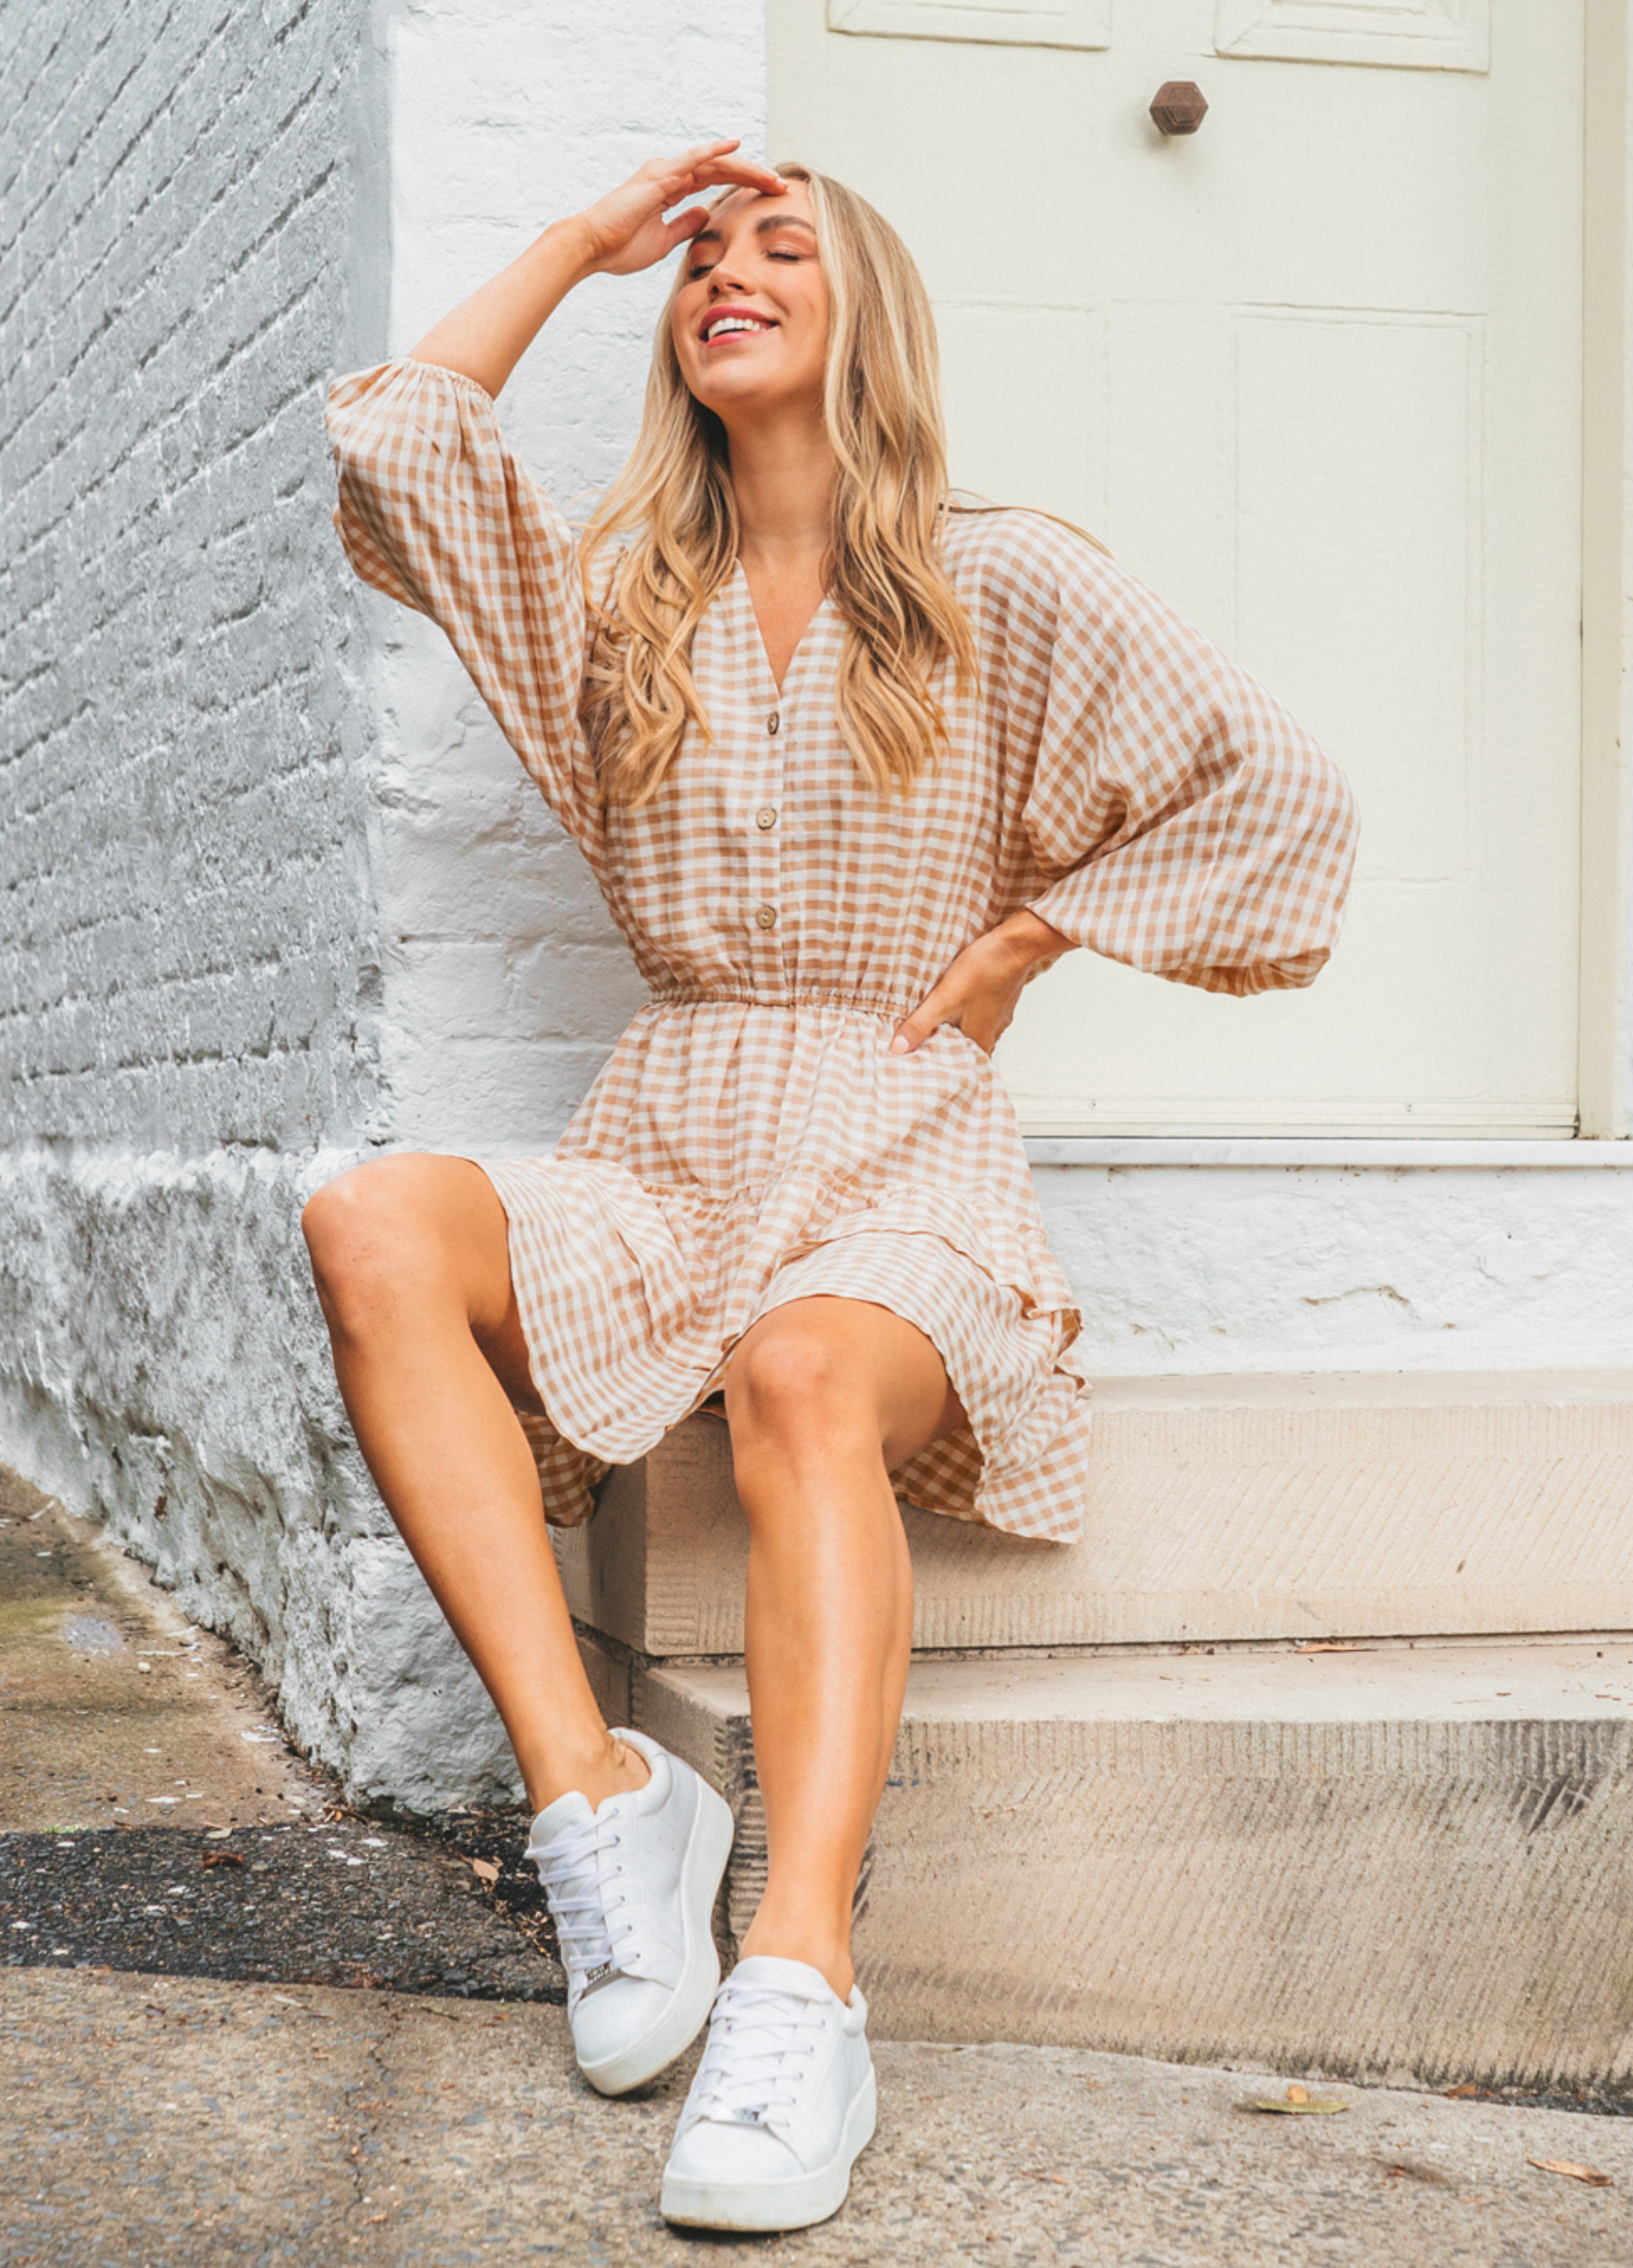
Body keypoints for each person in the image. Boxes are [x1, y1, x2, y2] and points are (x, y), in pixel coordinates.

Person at [308, 140, 1356, 2233]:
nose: (728, 273)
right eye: (702, 259)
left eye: (784, 247)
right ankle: (602, 1804)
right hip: (668, 1135)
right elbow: (399, 447)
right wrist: (584, 242)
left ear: (868, 315)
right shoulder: (620, 599)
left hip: (898, 1142)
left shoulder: (1004, 580)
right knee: (372, 1218)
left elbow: (1286, 805)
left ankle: (802, 1969)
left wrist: (1029, 936)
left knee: (802, 1373)